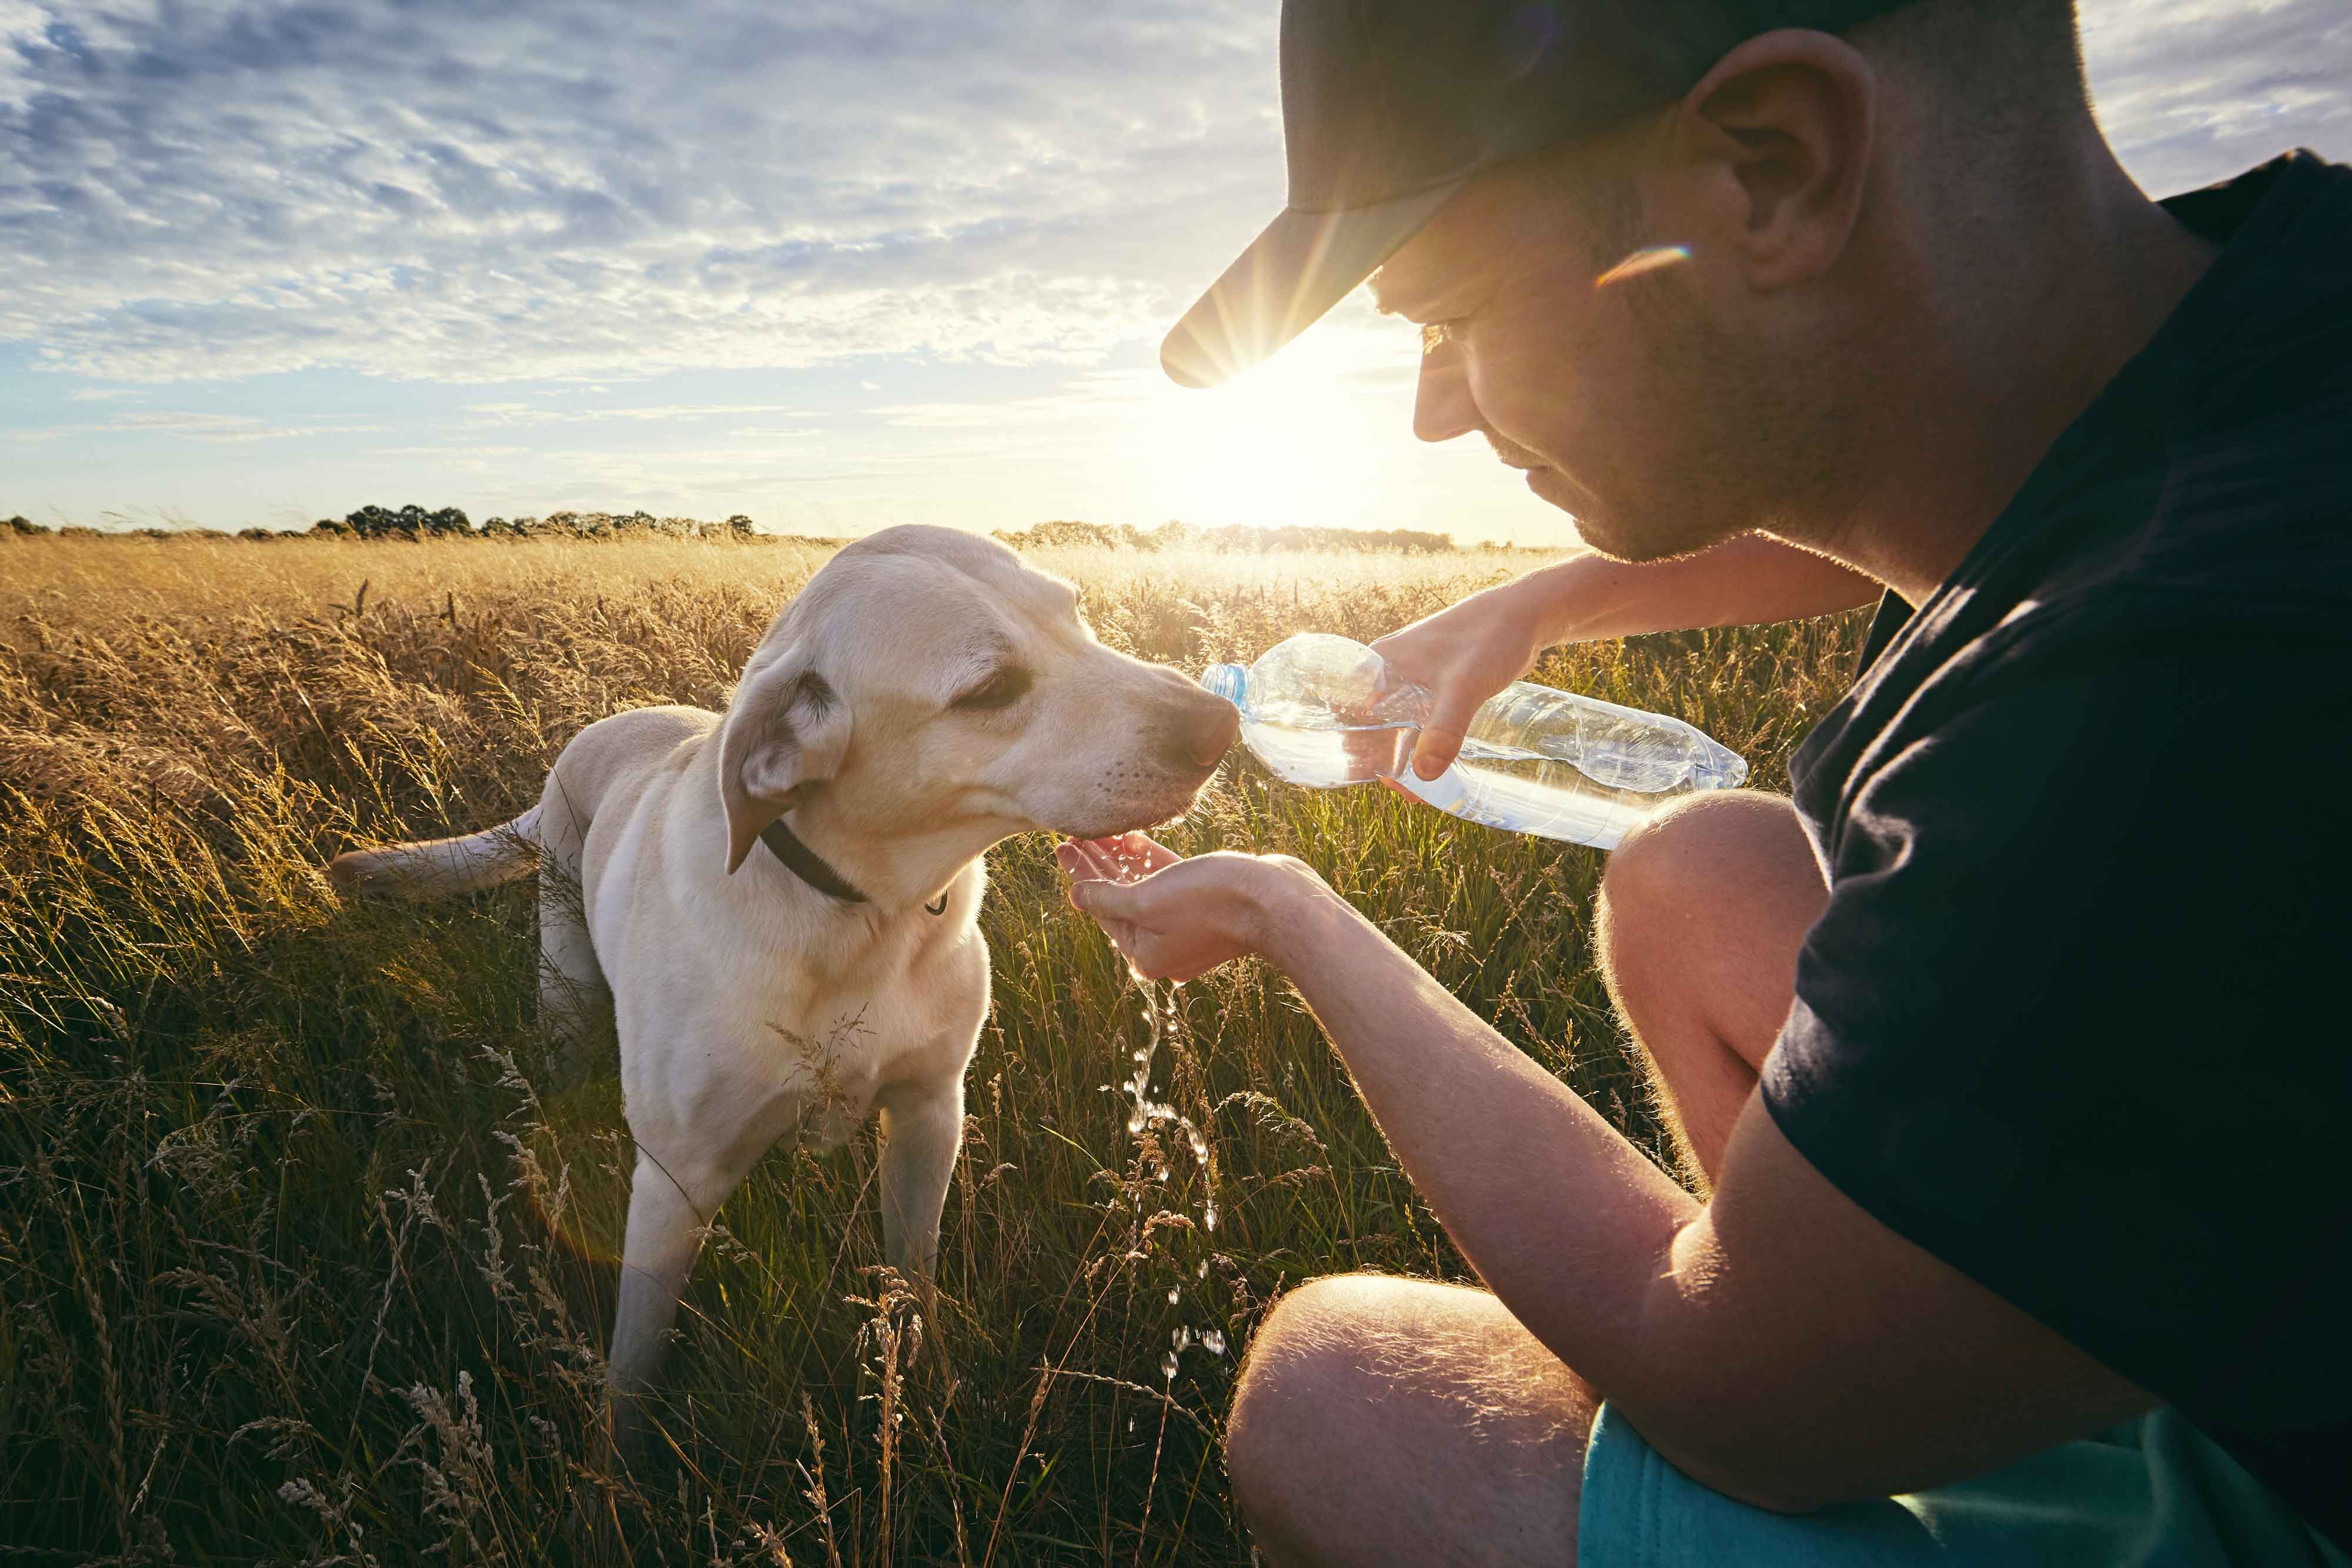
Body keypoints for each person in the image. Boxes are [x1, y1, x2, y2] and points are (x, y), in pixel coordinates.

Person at [1055, 0, 2352, 1564]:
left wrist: (1291, 915)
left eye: (1448, 312)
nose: (1434, 407)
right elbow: (1944, 469)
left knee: (1332, 1393)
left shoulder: (2161, 699)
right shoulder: (2265, 327)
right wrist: (1544, 601)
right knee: (1693, 872)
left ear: (1772, 167)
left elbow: (1735, 1393)